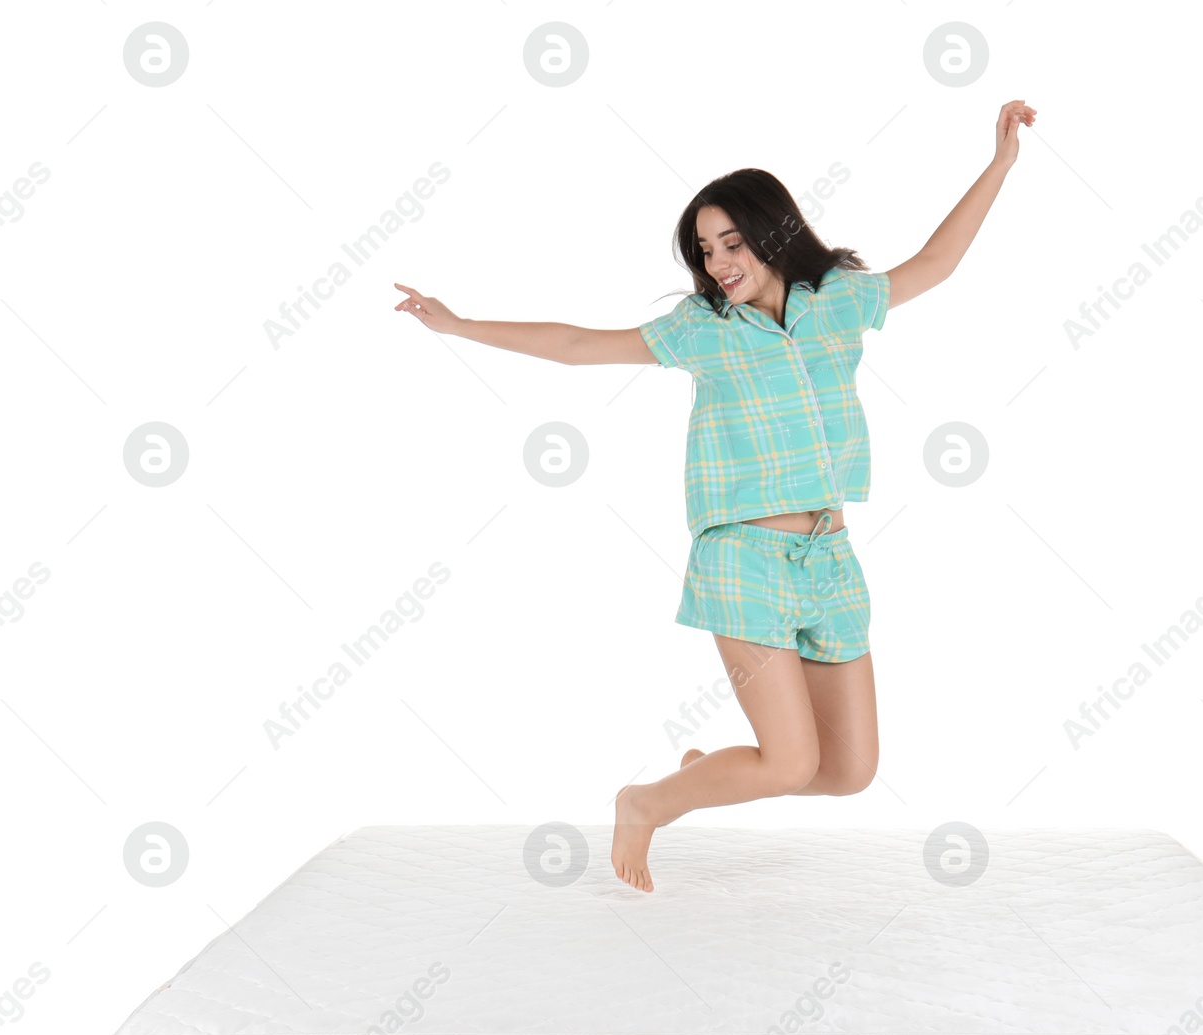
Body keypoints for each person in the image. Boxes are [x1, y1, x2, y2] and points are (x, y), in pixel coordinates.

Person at [395, 99, 1037, 891]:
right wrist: (460, 326)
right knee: (789, 759)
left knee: (848, 772)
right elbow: (573, 344)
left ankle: (709, 771)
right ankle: (647, 801)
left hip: (831, 556)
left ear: (777, 232)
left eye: (732, 241)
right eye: (704, 249)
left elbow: (937, 263)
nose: (718, 261)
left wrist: (1000, 163)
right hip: (744, 557)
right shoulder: (703, 329)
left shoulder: (841, 300)